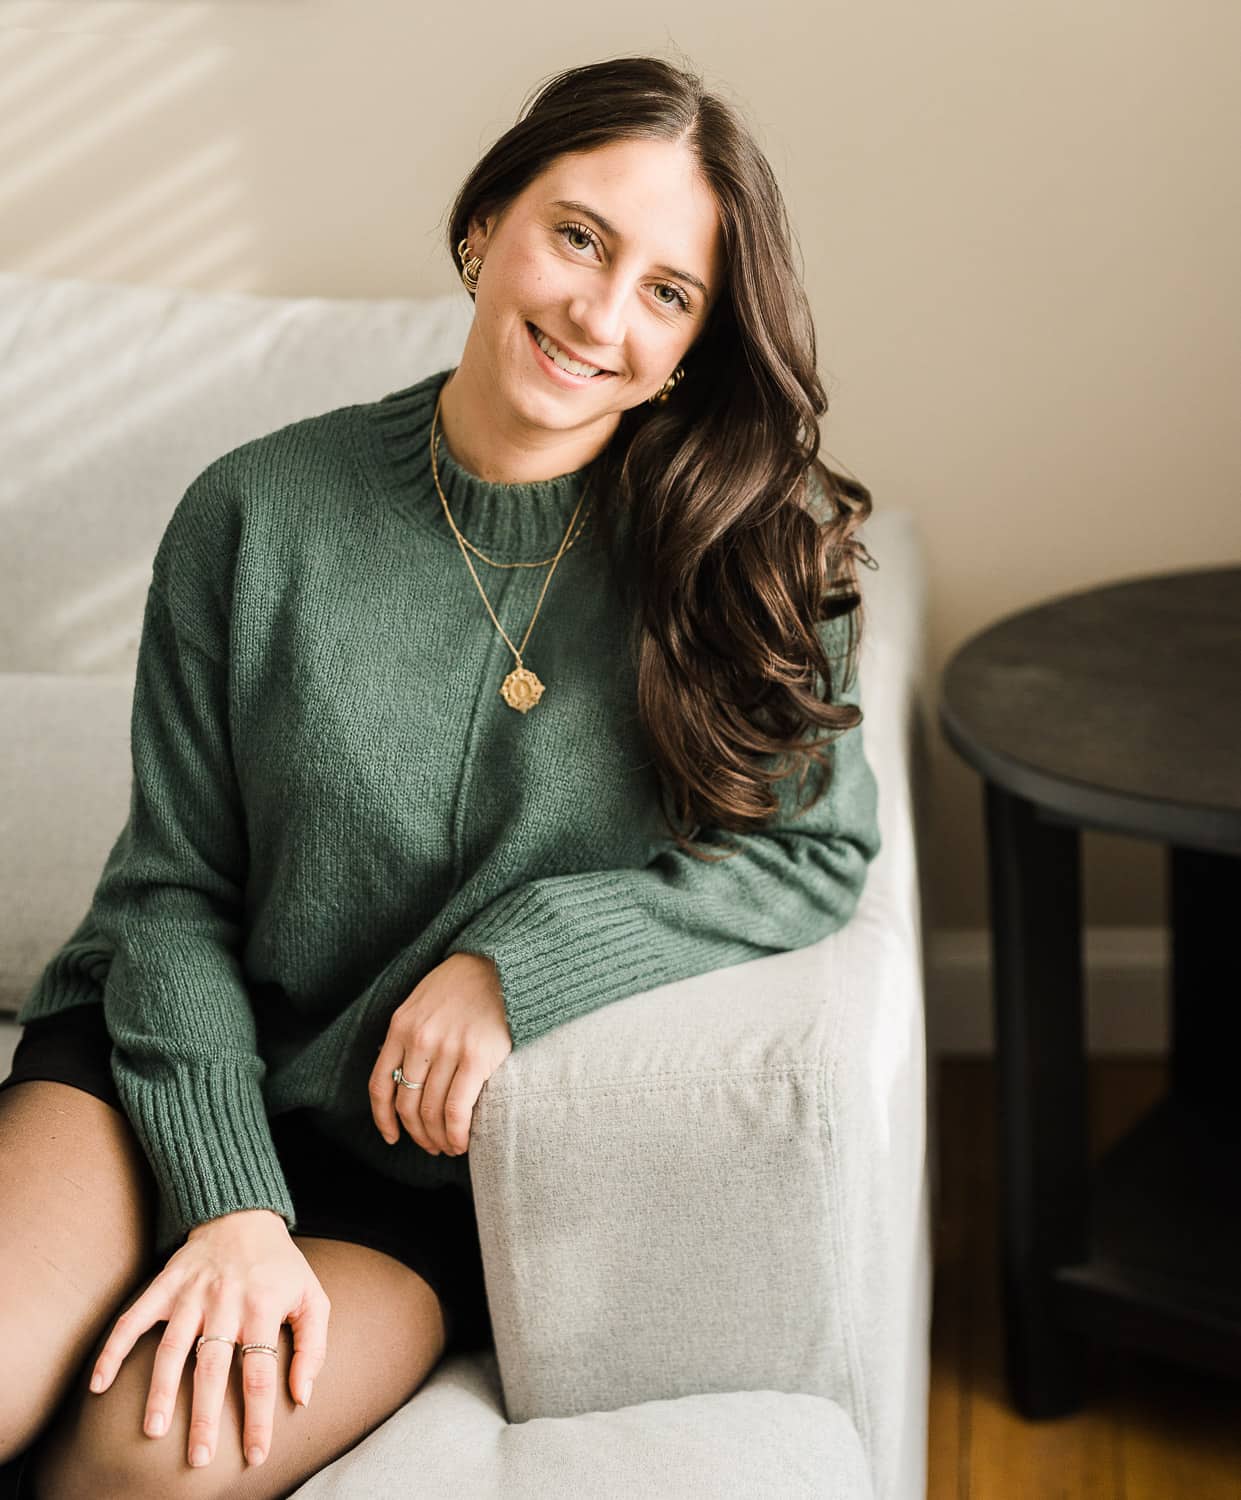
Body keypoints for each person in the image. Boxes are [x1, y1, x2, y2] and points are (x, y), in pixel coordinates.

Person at [0, 51, 882, 1499]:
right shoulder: (257, 509)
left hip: (399, 1185)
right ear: (486, 226)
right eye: (577, 236)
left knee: (139, 1468)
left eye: (667, 291)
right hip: (148, 1068)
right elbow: (168, 896)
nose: (599, 314)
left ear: (693, 346)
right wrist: (223, 1198)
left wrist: (512, 963)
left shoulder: (743, 560)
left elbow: (808, 853)